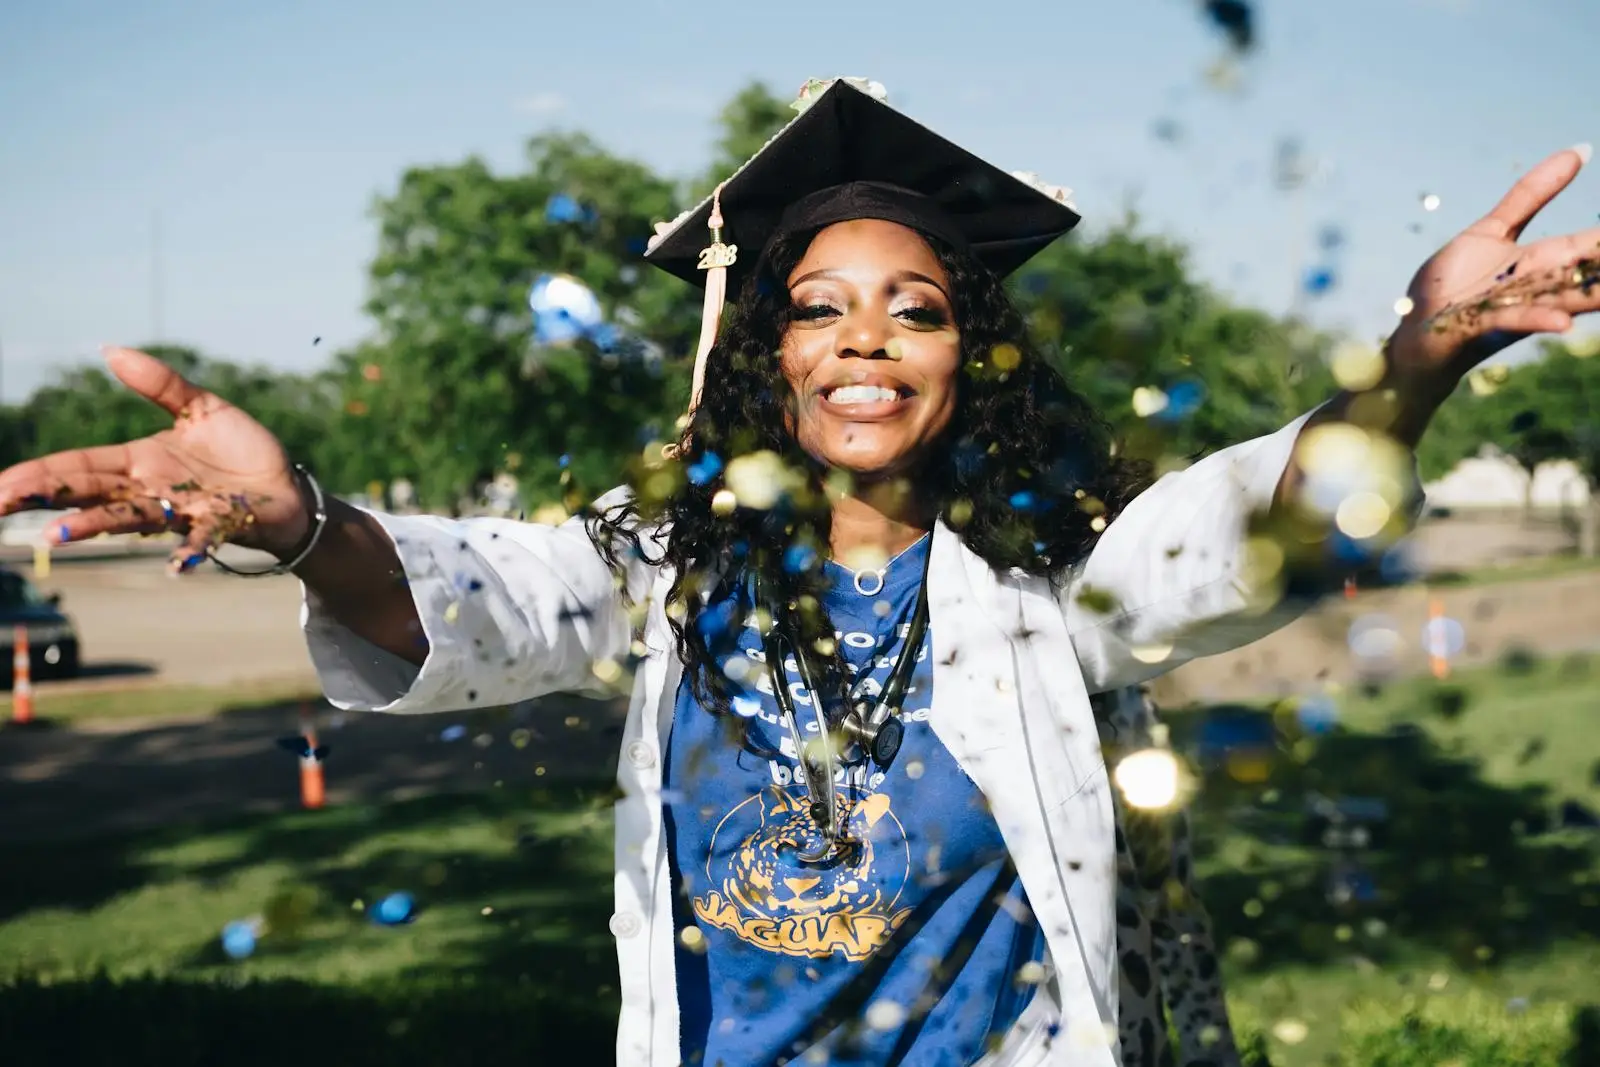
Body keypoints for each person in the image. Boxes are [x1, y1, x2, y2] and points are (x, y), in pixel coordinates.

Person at [2, 77, 1595, 1067]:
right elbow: (478, 594)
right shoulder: (665, 573)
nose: (866, 341)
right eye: (820, 305)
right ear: (763, 350)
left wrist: (1420, 356)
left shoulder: (1054, 587)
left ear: (972, 352)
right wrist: (301, 523)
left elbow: (1250, 524)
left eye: (917, 307)